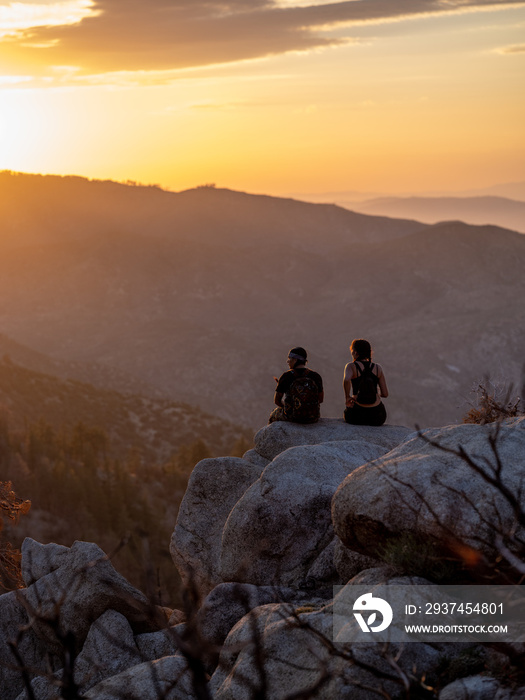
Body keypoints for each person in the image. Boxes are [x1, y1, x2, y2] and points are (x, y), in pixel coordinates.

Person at [269, 347, 324, 424]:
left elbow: (277, 401)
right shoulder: (315, 376)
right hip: (313, 417)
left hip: (292, 417)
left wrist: (289, 406)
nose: (287, 361)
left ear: (295, 360)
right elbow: (320, 399)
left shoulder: (286, 376)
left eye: (289, 358)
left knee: (273, 415)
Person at [343, 338, 388, 426]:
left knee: (347, 412)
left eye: (352, 351)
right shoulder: (378, 368)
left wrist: (347, 396)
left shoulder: (351, 366)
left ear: (355, 352)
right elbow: (385, 394)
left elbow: (346, 380)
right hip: (377, 416)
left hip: (357, 415)